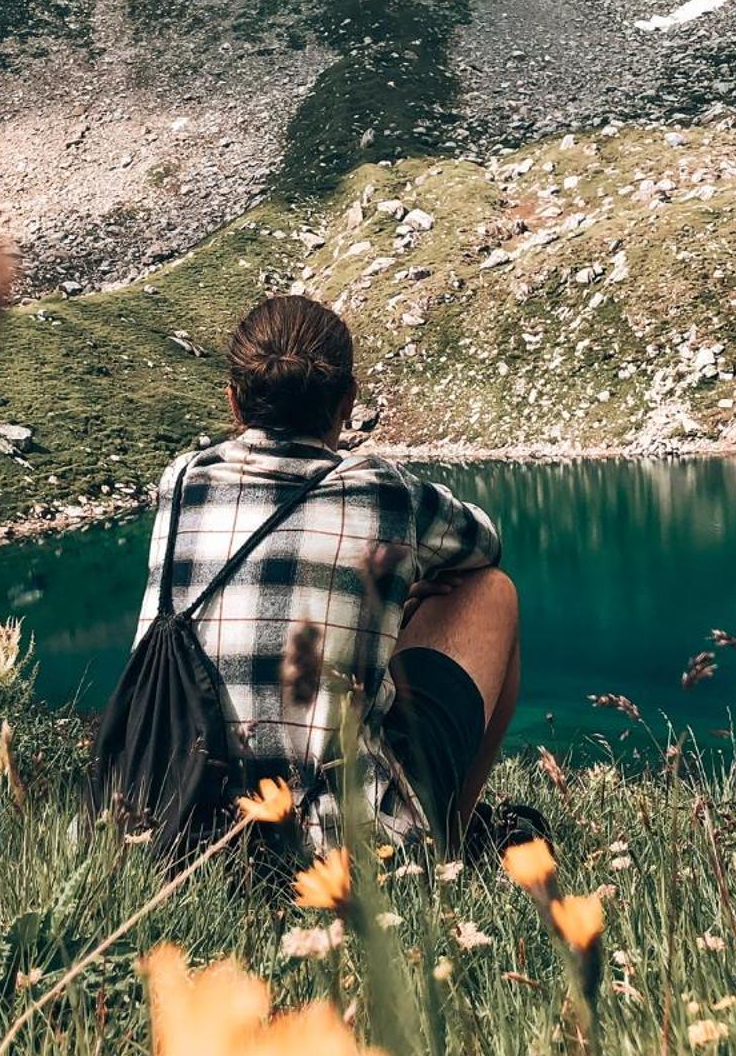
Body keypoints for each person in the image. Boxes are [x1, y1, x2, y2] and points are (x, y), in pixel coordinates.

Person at [131, 293, 523, 851]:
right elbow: (484, 545)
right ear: (348, 401)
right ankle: (448, 838)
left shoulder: (182, 478)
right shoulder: (386, 492)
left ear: (234, 403)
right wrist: (399, 586)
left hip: (174, 821)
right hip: (338, 845)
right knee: (491, 591)